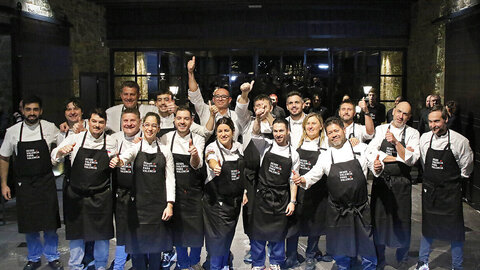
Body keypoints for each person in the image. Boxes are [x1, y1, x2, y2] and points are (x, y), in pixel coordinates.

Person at [293, 117, 377, 270]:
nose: (334, 135)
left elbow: (375, 164)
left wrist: (378, 166)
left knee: (366, 245)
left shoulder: (360, 149)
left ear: (344, 130)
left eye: (336, 131)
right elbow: (314, 174)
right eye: (330, 133)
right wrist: (302, 179)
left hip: (360, 208)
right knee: (341, 247)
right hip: (338, 210)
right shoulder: (326, 156)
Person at [0, 96, 62, 270]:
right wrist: (4, 184)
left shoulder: (50, 128)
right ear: (22, 110)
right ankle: (34, 258)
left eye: (35, 109)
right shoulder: (12, 131)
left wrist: (66, 130)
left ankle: (52, 257)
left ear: (41, 111)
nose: (32, 113)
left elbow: (64, 146)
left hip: (46, 182)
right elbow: (4, 157)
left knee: (50, 224)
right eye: (28, 109)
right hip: (25, 185)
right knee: (30, 225)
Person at [52, 108, 117, 270]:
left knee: (102, 236)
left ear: (105, 124)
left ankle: (101, 266)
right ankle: (75, 266)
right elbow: (54, 156)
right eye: (94, 121)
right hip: (77, 196)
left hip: (101, 196)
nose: (97, 125)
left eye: (101, 122)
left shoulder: (111, 142)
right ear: (88, 122)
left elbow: (118, 159)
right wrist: (60, 152)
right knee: (77, 235)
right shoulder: (75, 138)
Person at [110, 112, 175, 270]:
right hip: (137, 207)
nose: (150, 128)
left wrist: (170, 204)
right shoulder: (135, 147)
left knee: (155, 248)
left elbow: (170, 179)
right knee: (136, 248)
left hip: (158, 207)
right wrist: (118, 161)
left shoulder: (165, 151)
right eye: (147, 125)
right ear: (142, 126)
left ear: (158, 128)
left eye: (154, 125)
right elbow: (124, 158)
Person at [416, 105, 473, 270]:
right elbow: (424, 162)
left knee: (455, 231)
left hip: (450, 193)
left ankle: (457, 265)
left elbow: (466, 167)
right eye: (430, 122)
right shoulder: (425, 138)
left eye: (437, 121)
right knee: (428, 228)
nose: (433, 125)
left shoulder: (460, 141)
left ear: (446, 119)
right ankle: (423, 262)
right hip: (430, 192)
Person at [367, 101, 420, 270]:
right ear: (393, 111)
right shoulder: (381, 130)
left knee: (402, 221)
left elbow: (411, 160)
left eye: (405, 114)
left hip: (402, 183)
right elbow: (371, 152)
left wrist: (397, 143)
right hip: (382, 180)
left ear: (409, 117)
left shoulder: (413, 133)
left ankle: (402, 259)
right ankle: (380, 258)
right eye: (399, 112)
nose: (400, 116)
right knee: (379, 221)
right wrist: (399, 155)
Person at [249, 118, 299, 270]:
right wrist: (258, 118)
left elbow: (293, 180)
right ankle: (257, 264)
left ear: (287, 131)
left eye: (281, 130)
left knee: (278, 235)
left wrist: (293, 201)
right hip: (262, 196)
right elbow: (255, 133)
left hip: (281, 197)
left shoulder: (294, 154)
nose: (278, 134)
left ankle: (275, 262)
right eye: (275, 131)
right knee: (257, 234)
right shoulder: (266, 145)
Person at [160, 106, 205, 270]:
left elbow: (197, 165)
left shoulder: (198, 139)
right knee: (177, 230)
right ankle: (183, 262)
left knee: (196, 230)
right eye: (179, 118)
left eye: (186, 119)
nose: (182, 122)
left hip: (194, 192)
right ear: (174, 119)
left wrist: (194, 154)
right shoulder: (166, 138)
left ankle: (194, 261)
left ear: (191, 121)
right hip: (174, 192)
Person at [285, 113, 332, 270]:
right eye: (308, 123)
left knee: (315, 225)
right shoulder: (297, 148)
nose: (311, 126)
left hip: (319, 194)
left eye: (314, 123)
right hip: (298, 193)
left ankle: (311, 255)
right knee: (294, 225)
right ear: (304, 127)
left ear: (321, 127)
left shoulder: (326, 147)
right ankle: (291, 256)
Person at [203, 117, 246, 270]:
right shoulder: (212, 148)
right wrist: (215, 166)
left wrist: (245, 191)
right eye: (220, 131)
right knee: (217, 238)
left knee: (228, 235)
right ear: (216, 133)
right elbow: (210, 158)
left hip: (234, 202)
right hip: (216, 203)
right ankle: (216, 266)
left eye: (226, 130)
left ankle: (224, 262)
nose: (223, 134)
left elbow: (243, 172)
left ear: (233, 132)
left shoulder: (239, 147)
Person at [109, 108, 143, 270]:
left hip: (143, 194)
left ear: (140, 122)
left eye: (132, 121)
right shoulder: (114, 139)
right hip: (121, 194)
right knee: (122, 233)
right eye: (125, 121)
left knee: (139, 233)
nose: (129, 124)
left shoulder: (146, 139)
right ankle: (119, 265)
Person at [187, 56, 244, 141]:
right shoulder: (205, 110)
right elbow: (195, 94)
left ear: (230, 100)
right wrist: (190, 73)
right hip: (207, 151)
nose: (220, 99)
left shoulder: (236, 115)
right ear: (213, 100)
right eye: (217, 97)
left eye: (224, 97)